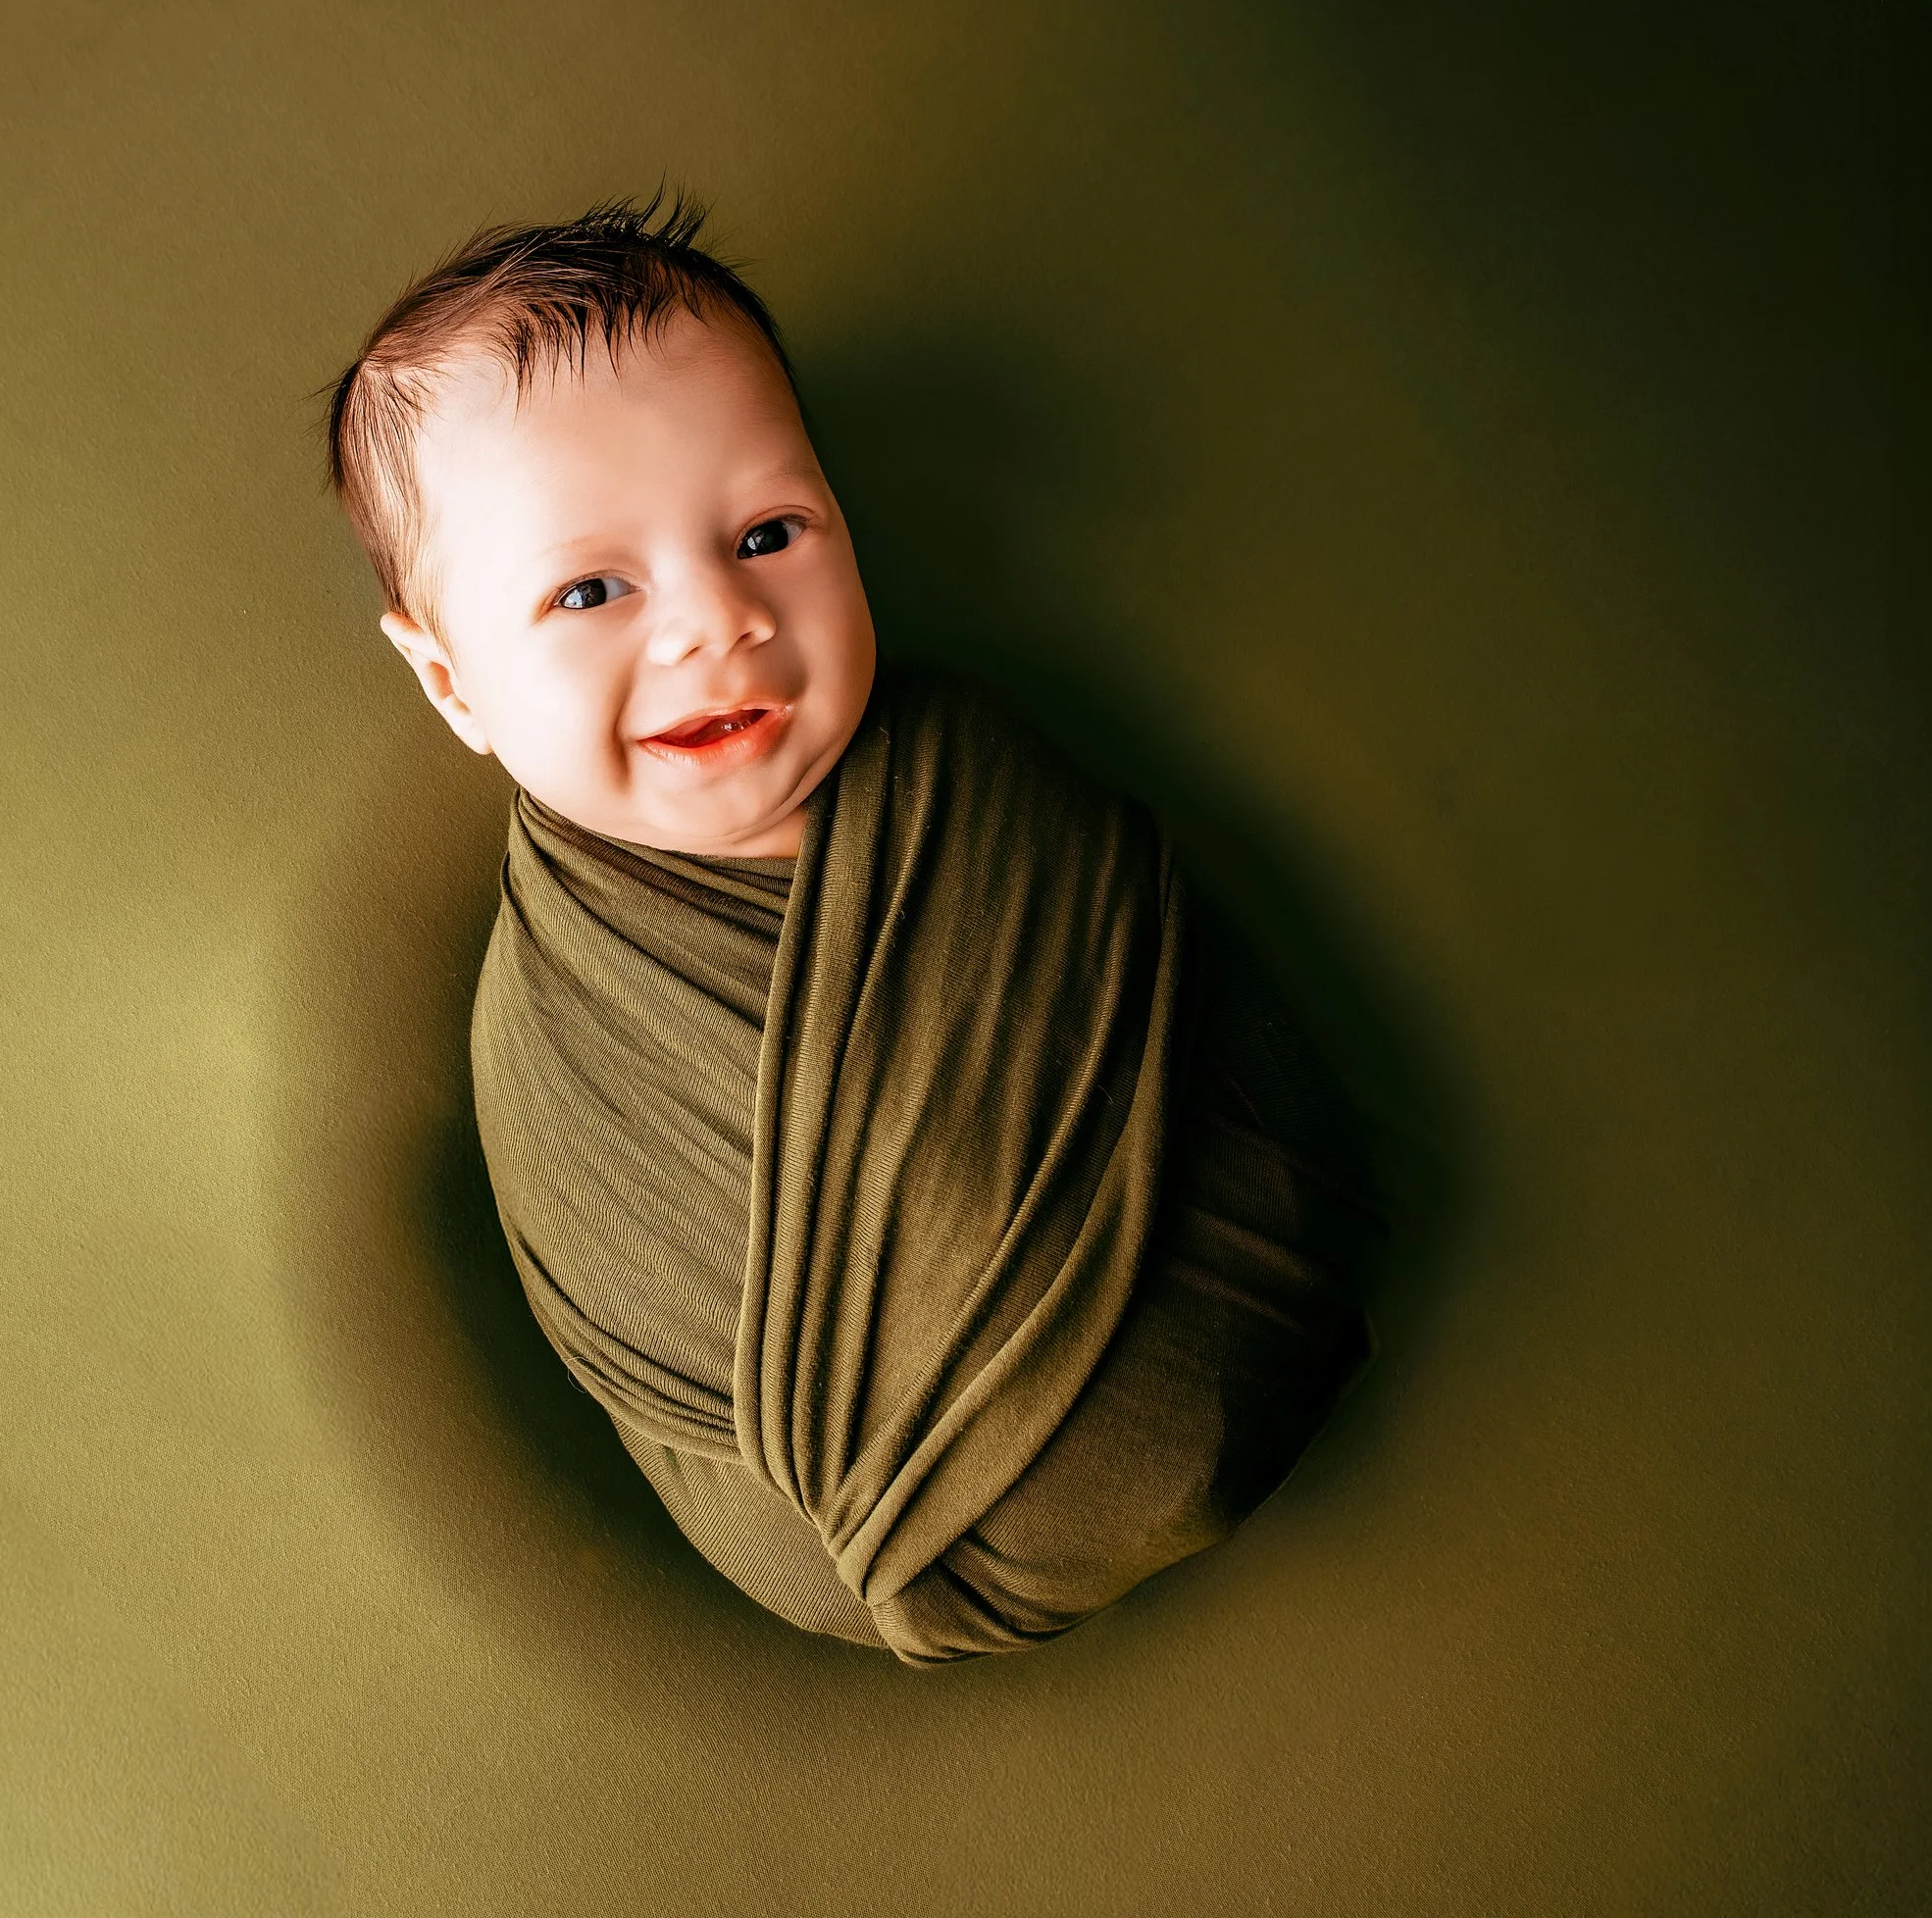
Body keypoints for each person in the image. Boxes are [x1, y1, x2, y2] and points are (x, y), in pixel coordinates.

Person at [324, 195, 1377, 1663]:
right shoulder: (560, 1031)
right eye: (588, 589)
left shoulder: (974, 774)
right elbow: (631, 1291)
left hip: (1269, 1295)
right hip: (909, 1537)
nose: (716, 619)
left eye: (768, 532)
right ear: (450, 685)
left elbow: (1180, 971)